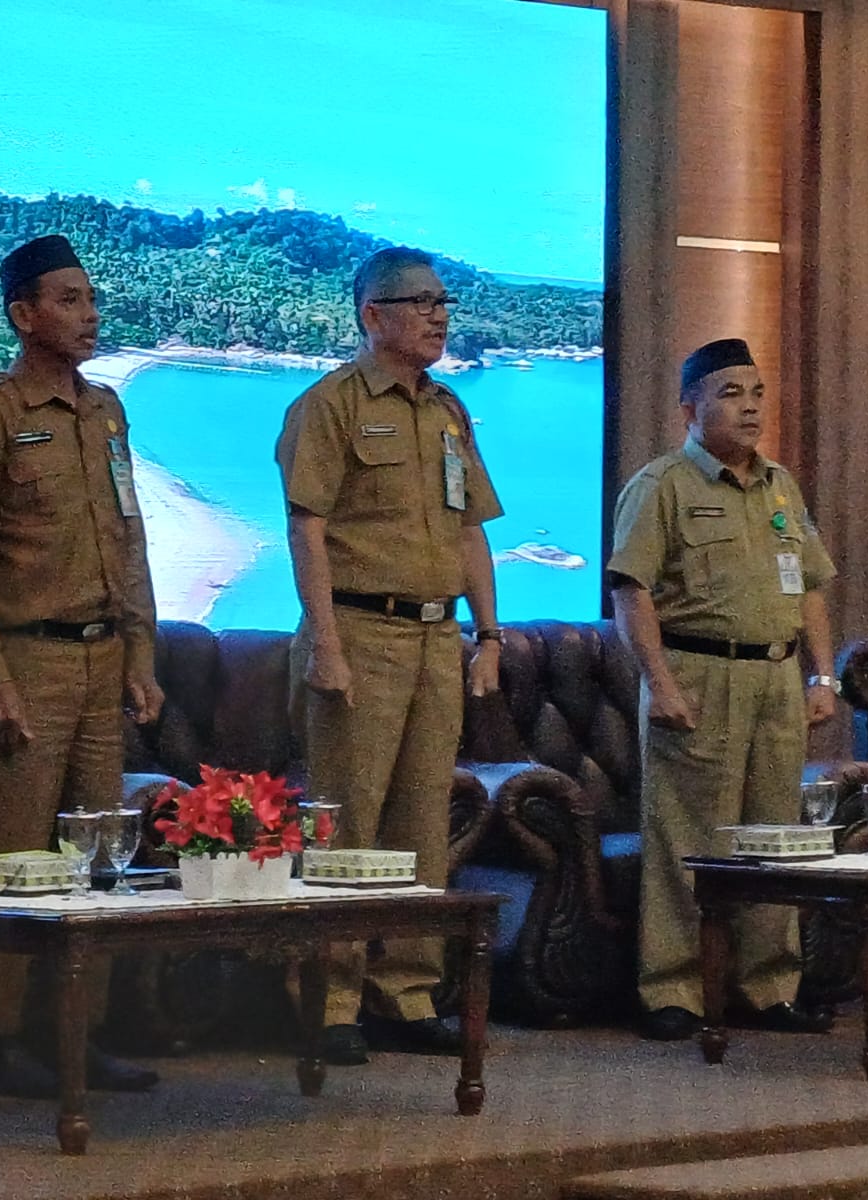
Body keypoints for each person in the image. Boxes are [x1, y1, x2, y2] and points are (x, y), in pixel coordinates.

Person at [0, 233, 166, 1096]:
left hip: (102, 663)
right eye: (69, 301)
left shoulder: (106, 411)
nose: (89, 315)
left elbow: (129, 539)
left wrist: (141, 655)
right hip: (24, 665)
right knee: (12, 858)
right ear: (23, 315)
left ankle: (76, 1029)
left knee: (97, 852)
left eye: (91, 299)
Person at [276, 246, 504, 1066]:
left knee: (420, 820)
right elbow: (306, 531)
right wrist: (325, 643)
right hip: (359, 632)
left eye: (444, 301)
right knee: (347, 817)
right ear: (374, 315)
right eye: (421, 302)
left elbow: (470, 529)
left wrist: (489, 635)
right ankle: (331, 1000)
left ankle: (406, 991)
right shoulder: (329, 405)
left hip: (437, 637)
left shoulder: (448, 410)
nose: (439, 316)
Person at [606, 337, 838, 1042]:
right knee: (689, 838)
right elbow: (631, 594)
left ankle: (768, 986)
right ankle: (673, 989)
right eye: (731, 394)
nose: (750, 407)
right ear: (690, 408)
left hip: (776, 678)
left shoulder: (780, 486)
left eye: (757, 393)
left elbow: (811, 587)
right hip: (697, 676)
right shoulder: (662, 486)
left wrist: (823, 675)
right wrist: (659, 683)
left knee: (774, 837)